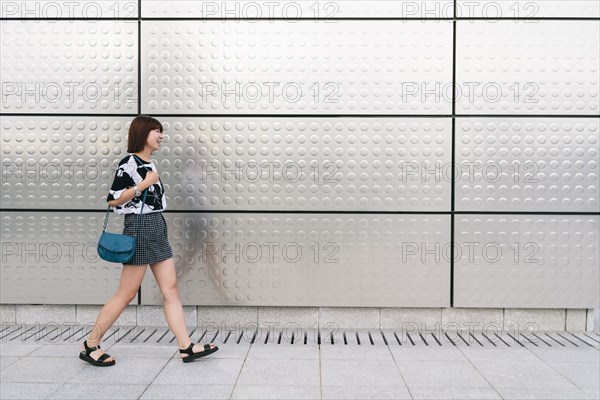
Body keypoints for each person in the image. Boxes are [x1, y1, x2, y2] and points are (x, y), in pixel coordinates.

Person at [79, 115, 219, 366]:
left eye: (161, 131)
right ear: (142, 133)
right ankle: (91, 344)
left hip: (156, 227)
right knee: (126, 293)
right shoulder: (129, 163)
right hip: (139, 228)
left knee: (171, 288)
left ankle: (186, 346)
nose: (161, 135)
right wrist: (144, 184)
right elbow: (113, 199)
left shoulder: (150, 164)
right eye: (156, 131)